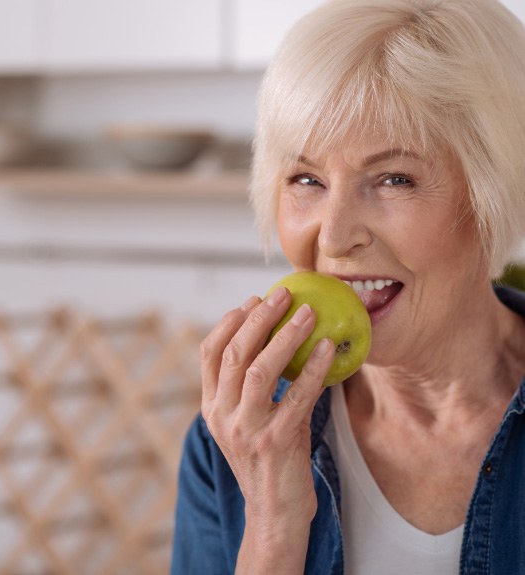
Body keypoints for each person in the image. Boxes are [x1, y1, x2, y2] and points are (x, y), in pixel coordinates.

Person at [171, 0, 525, 573]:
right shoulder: (234, 440)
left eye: (394, 179)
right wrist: (272, 525)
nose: (334, 238)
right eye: (306, 178)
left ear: (495, 195)